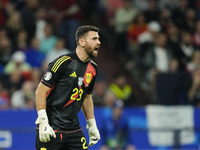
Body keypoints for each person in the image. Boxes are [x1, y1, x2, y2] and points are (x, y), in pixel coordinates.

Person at [35, 25, 101, 150]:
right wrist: (43, 121)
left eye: (98, 39)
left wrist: (91, 124)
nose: (99, 42)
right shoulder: (63, 63)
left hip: (73, 129)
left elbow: (86, 97)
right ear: (81, 42)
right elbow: (40, 91)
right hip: (51, 127)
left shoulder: (93, 68)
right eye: (94, 39)